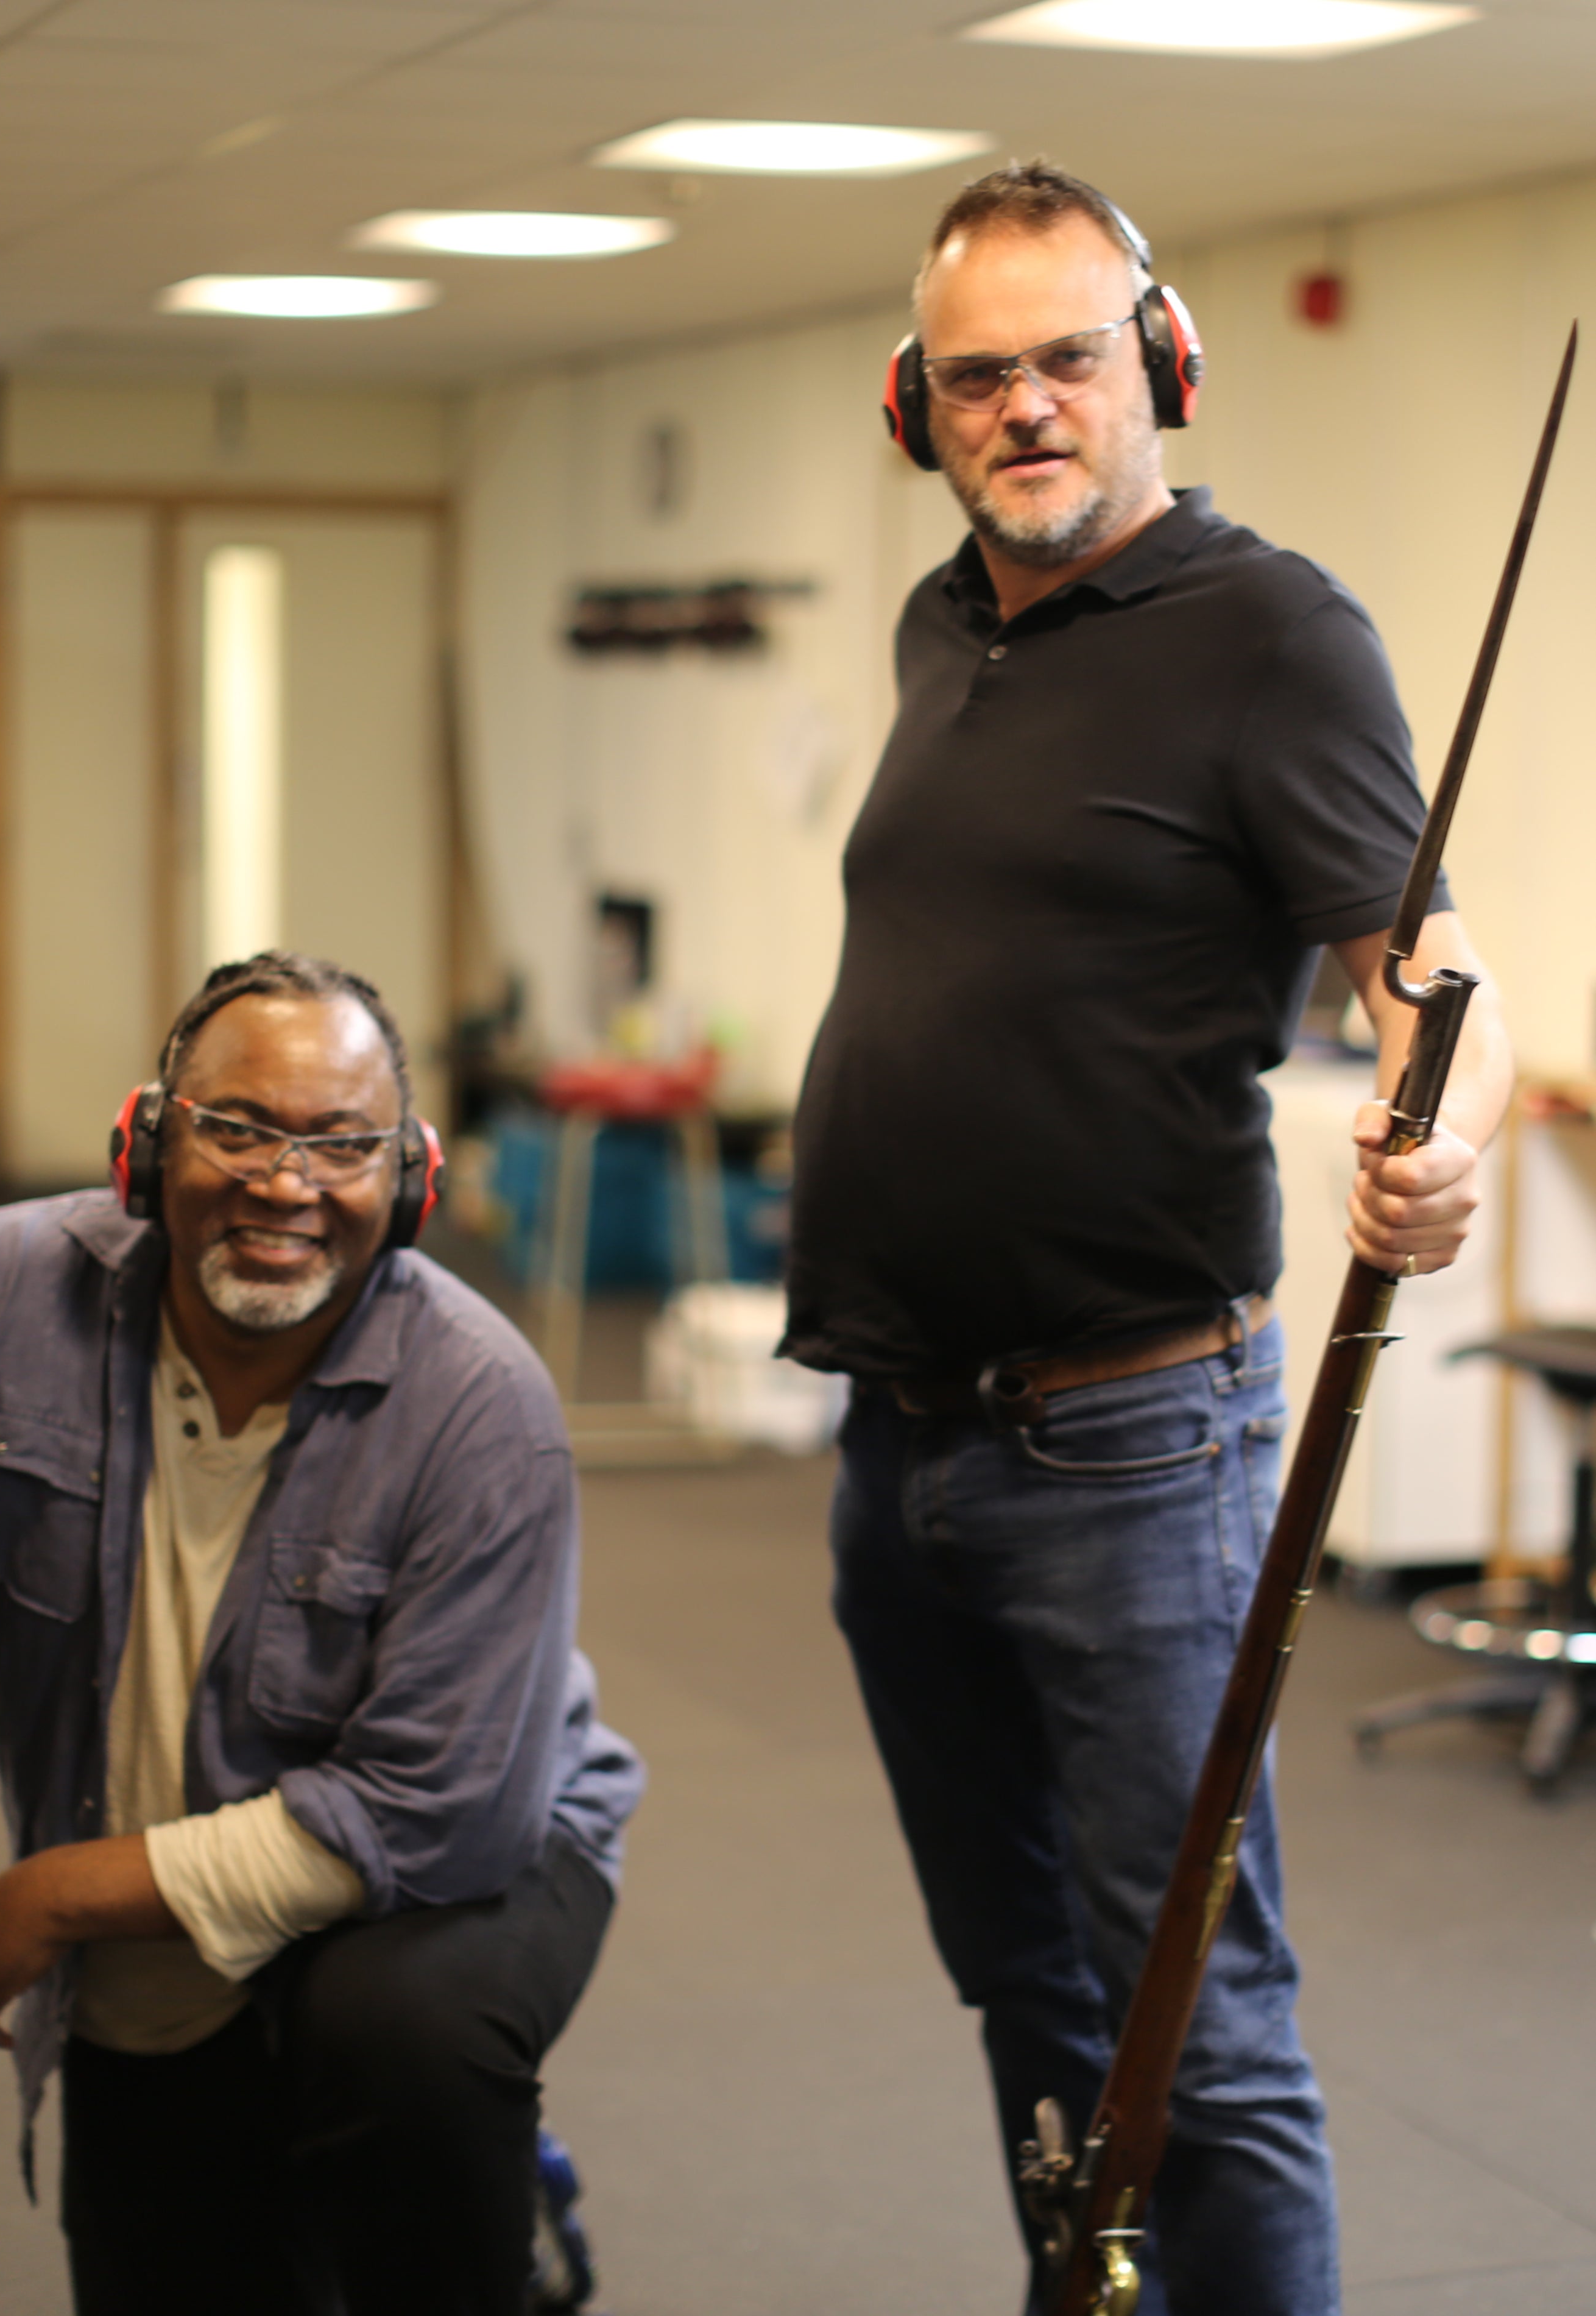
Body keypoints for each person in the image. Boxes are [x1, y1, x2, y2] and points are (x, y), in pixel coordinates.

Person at [783, 161, 1513, 2316]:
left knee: (1197, 2026)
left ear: (1157, 365)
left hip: (1125, 1451)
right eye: (976, 375)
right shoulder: (941, 624)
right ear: (916, 404)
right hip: (892, 1445)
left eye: (1066, 362)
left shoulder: (1268, 636)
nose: (1025, 409)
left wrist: (1436, 1142)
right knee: (1023, 1989)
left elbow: (1430, 977)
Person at [0, 949, 643, 2316]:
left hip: (470, 1847)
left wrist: (50, 1895)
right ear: (147, 1140)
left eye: (340, 1144)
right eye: (239, 1126)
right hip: (170, 1899)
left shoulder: (481, 1399)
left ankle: (483, 2219)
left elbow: (440, 1812)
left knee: (398, 2039)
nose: (286, 1183)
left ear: (413, 1177)